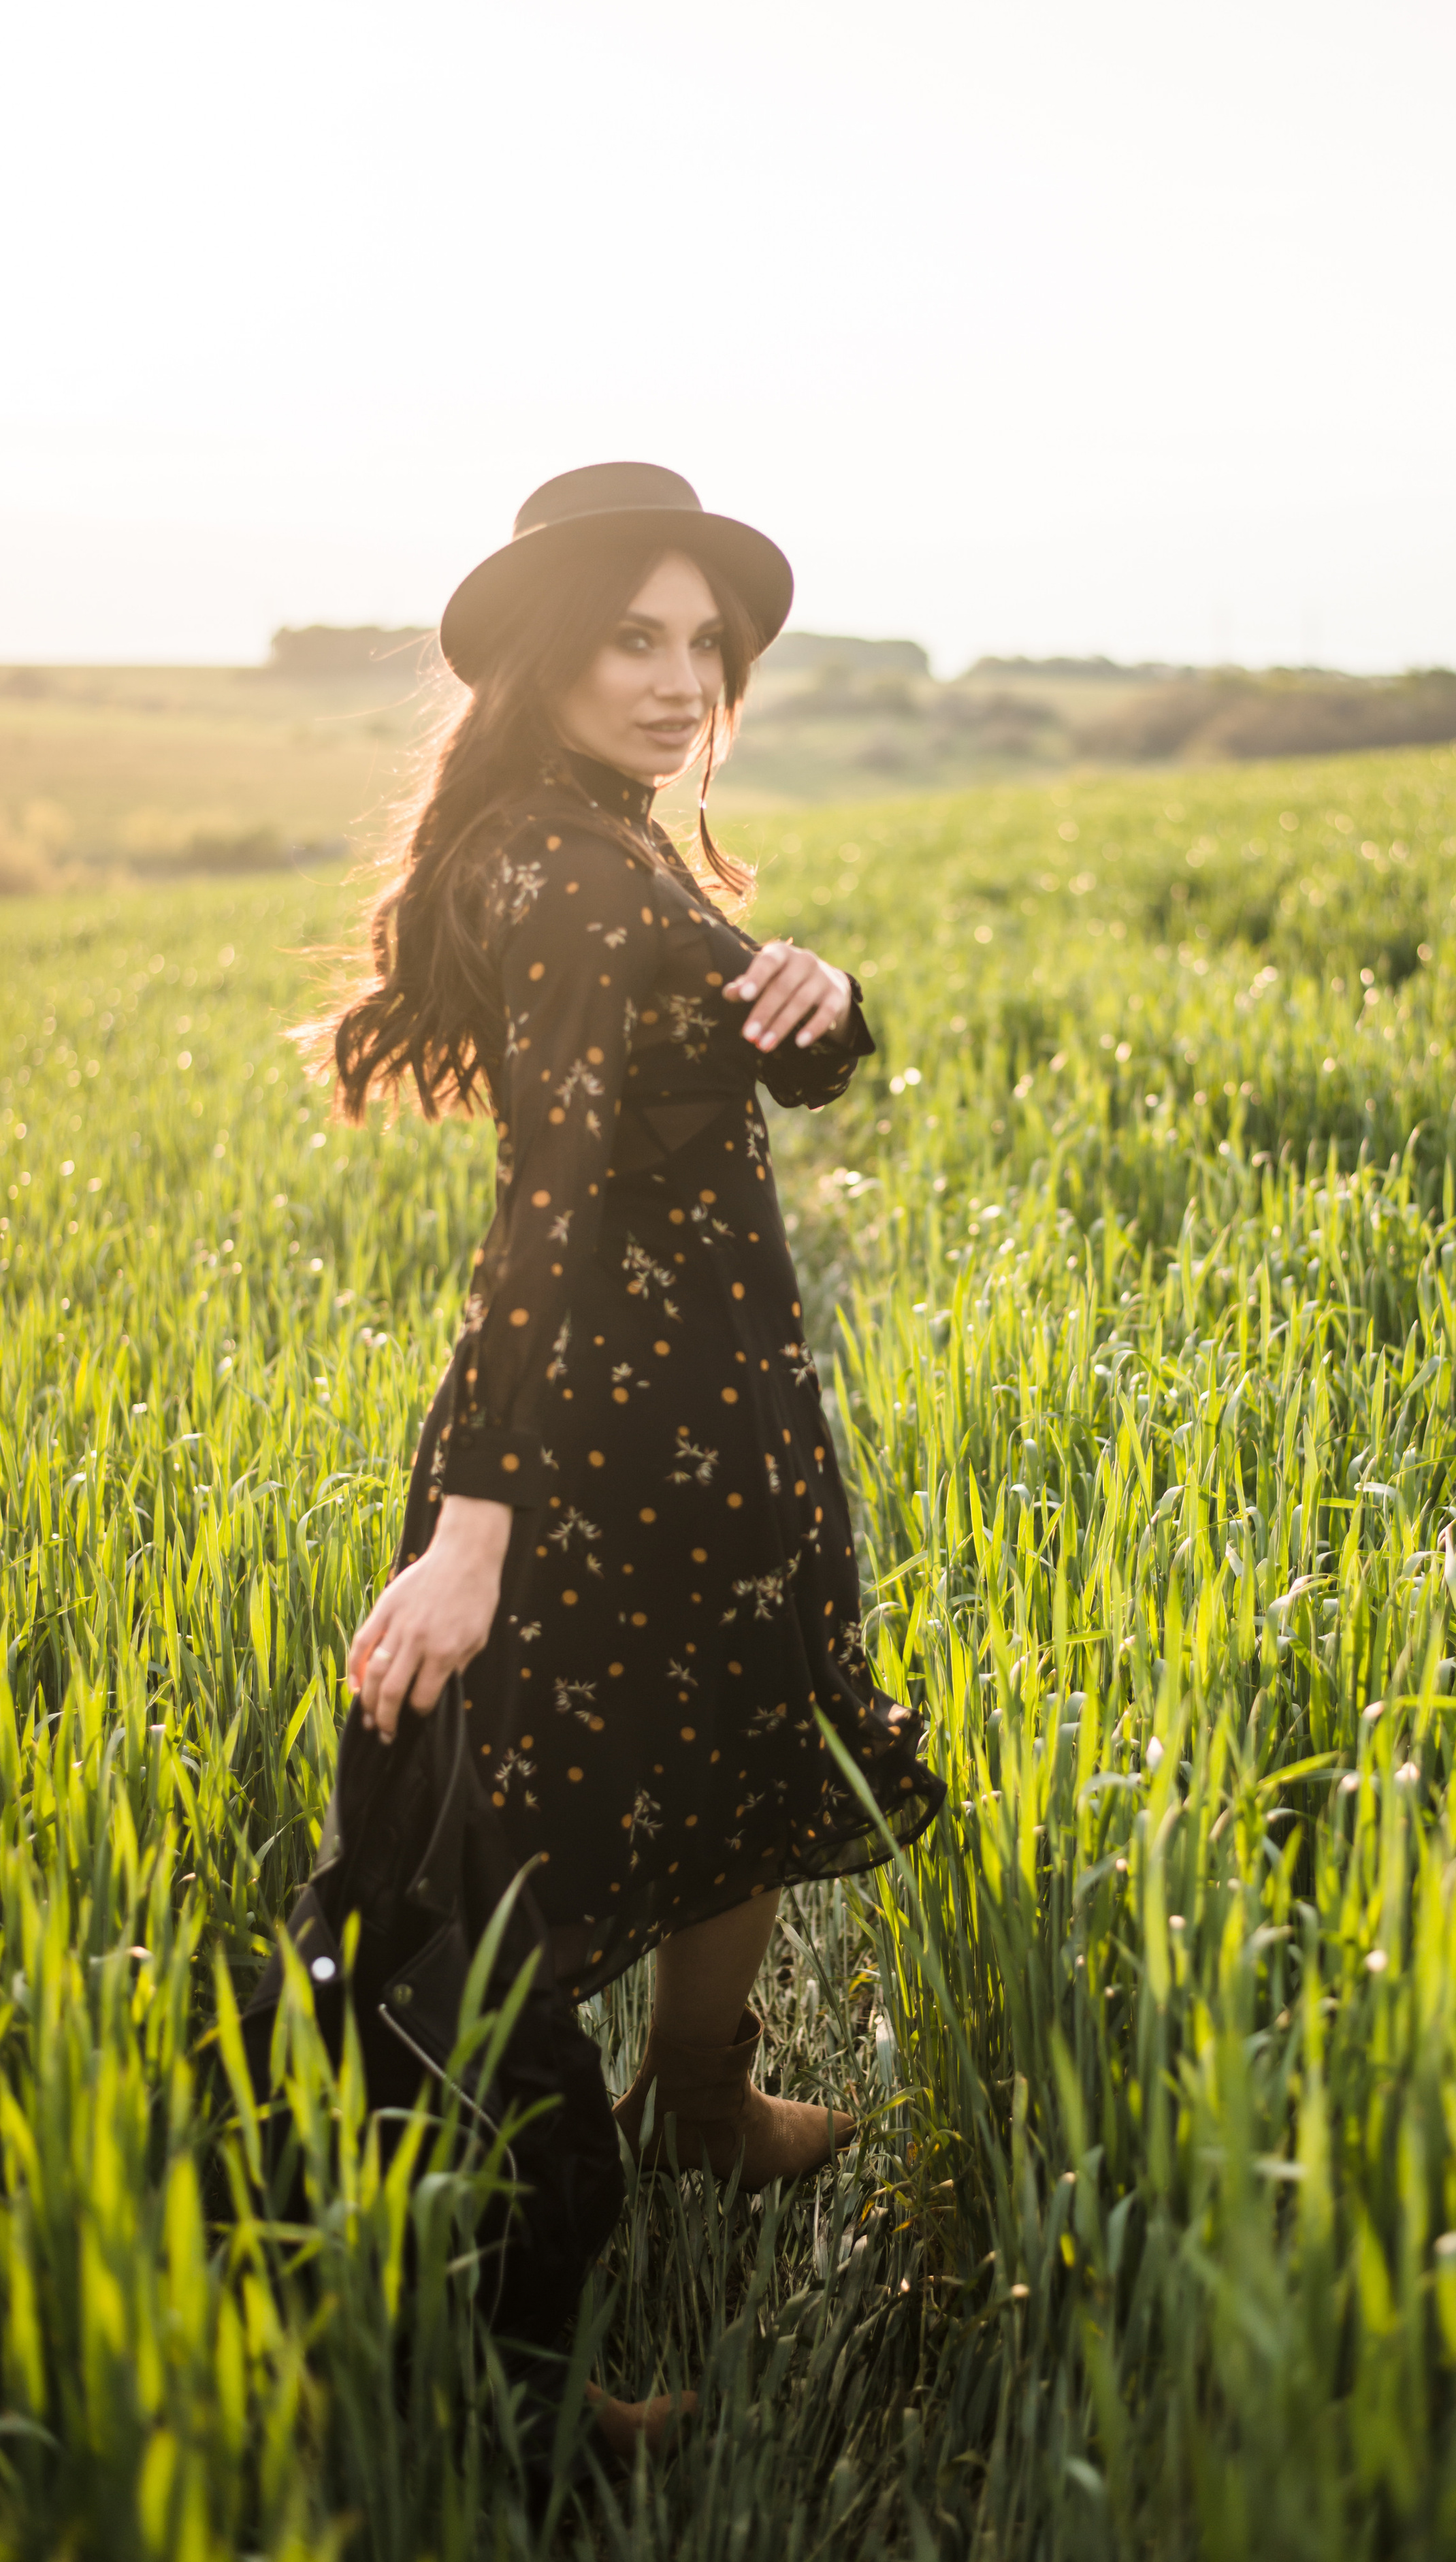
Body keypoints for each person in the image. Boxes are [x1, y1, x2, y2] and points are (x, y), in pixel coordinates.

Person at [314, 459, 945, 2247]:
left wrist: (811, 994)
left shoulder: (573, 828)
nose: (681, 679)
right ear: (542, 660)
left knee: (748, 1739)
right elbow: (555, 1202)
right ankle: (511, 2303)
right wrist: (479, 1523)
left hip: (702, 1411)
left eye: (703, 642)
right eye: (630, 640)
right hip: (602, 1436)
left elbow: (732, 1056)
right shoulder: (578, 881)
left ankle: (699, 2101)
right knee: (524, 1860)